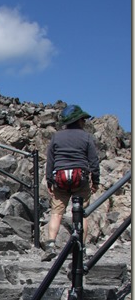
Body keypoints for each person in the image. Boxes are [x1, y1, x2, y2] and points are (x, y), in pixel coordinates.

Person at [44, 104, 100, 257]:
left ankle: (50, 245)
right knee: (82, 214)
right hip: (80, 179)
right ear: (78, 120)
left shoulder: (56, 137)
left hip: (60, 179)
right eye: (83, 119)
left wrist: (49, 180)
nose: (84, 122)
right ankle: (80, 248)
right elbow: (93, 161)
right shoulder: (86, 137)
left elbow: (50, 160)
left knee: (56, 213)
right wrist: (95, 181)